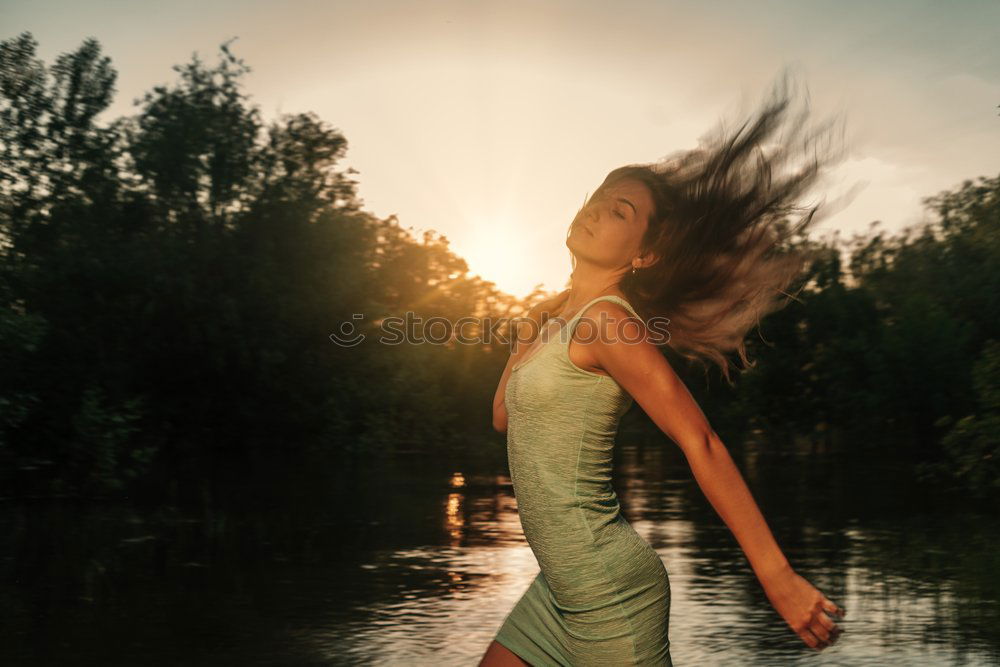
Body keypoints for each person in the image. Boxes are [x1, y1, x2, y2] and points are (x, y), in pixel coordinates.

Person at [479, 75, 848, 666]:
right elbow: (504, 418)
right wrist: (530, 332)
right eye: (597, 198)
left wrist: (777, 575)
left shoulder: (609, 323)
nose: (597, 209)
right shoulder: (557, 321)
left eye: (620, 210)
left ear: (644, 255)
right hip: (557, 592)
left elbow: (699, 441)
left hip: (609, 596)